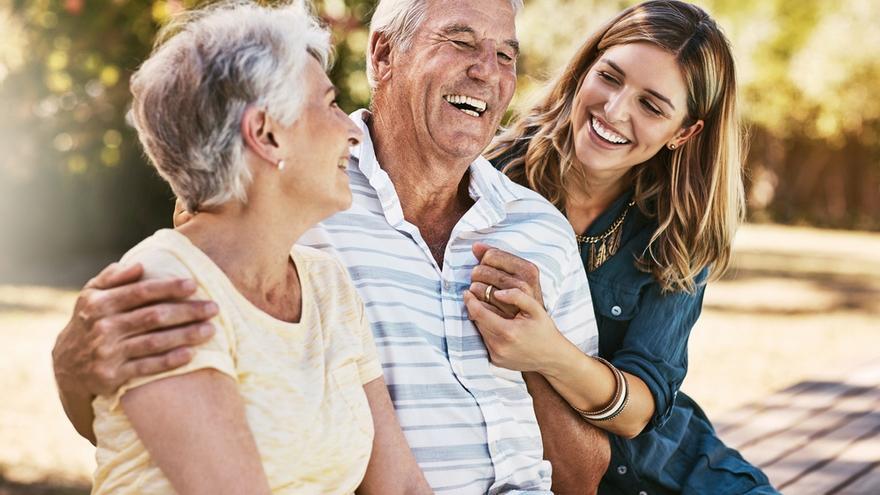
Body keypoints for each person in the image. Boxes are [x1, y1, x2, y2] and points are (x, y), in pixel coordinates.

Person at [52, 0, 611, 493]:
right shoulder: (226, 254)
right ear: (383, 55)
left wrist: (540, 353)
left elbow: (575, 477)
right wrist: (74, 365)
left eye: (507, 56)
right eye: (460, 41)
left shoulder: (325, 280)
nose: (487, 70)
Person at [82, 2, 432, 493]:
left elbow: (402, 488)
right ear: (266, 135)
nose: (353, 129)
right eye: (330, 105)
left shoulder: (326, 283)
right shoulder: (165, 288)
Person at [468, 1, 780, 493]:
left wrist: (548, 353)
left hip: (678, 472)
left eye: (651, 106)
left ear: (685, 132)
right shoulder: (490, 178)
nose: (614, 111)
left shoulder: (678, 229)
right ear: (585, 67)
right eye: (610, 78)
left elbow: (640, 410)